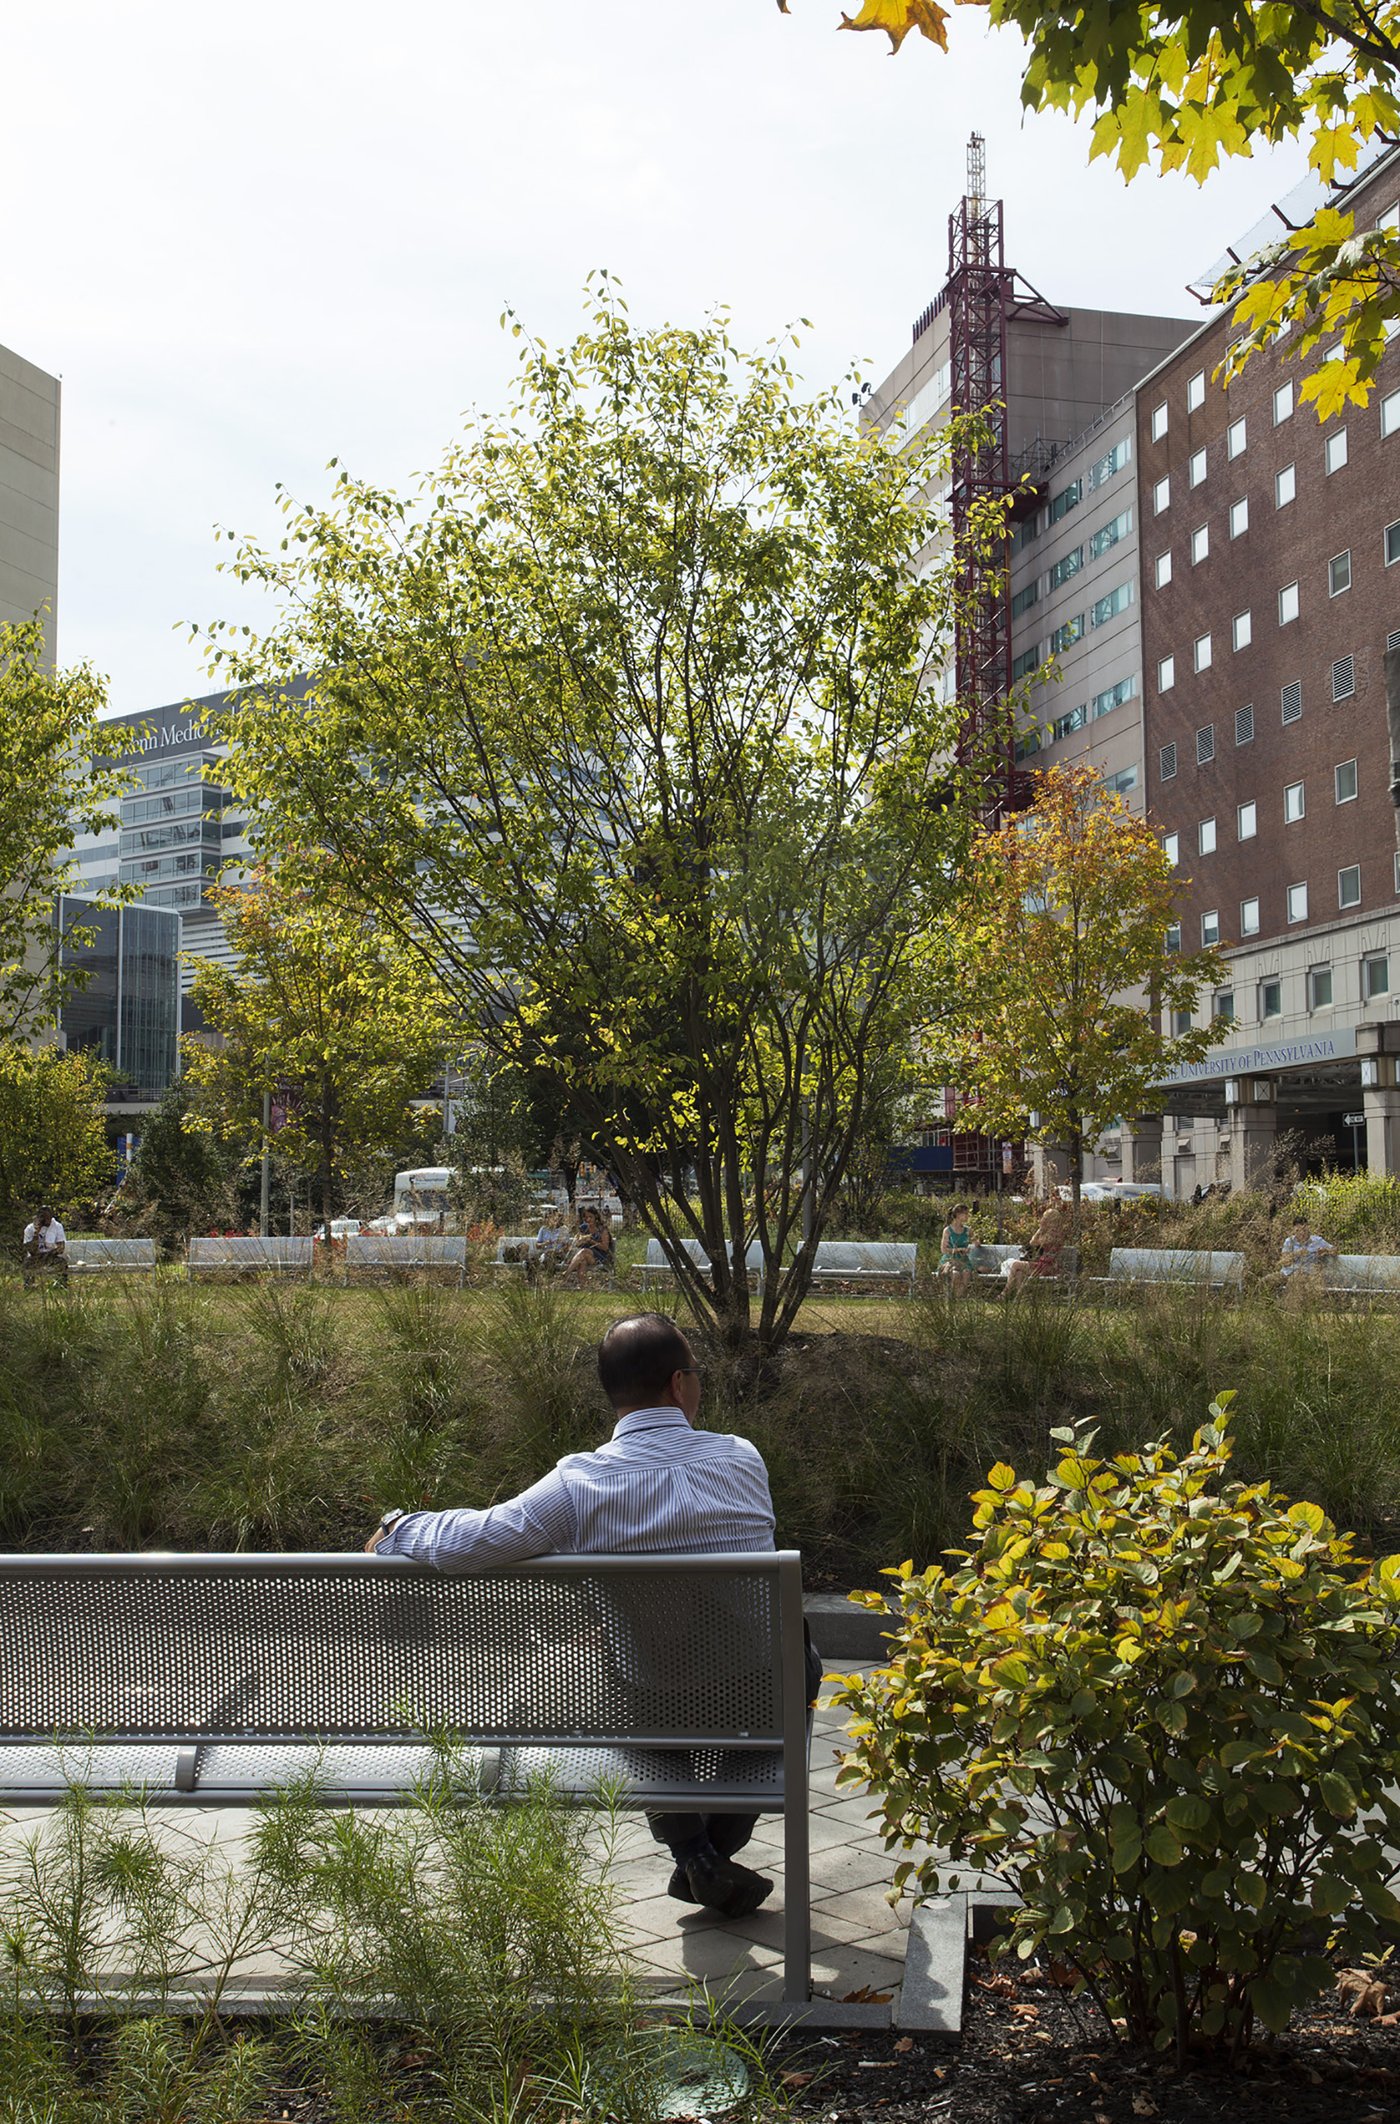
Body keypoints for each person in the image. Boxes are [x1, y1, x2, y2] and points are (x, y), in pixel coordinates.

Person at [365, 1312, 819, 1922]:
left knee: (620, 1662)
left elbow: (472, 1540)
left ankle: (694, 1851)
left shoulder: (580, 1485)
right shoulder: (740, 1460)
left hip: (658, 1706)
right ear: (681, 1385)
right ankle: (712, 1846)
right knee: (801, 1661)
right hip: (758, 1698)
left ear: (613, 1395)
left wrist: (399, 1528)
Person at [1002, 1198, 1072, 1297]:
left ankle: (1005, 1292)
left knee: (1015, 1265)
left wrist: (1041, 1229)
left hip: (1048, 1267)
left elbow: (1037, 1243)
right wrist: (1040, 1229)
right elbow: (1032, 1242)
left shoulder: (1056, 1236)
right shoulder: (1049, 1233)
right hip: (1042, 1265)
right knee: (1018, 1272)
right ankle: (1020, 1297)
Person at [562, 1206, 615, 1285]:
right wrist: (581, 1240)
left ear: (596, 1217)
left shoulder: (602, 1230)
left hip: (600, 1257)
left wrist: (591, 1241)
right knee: (583, 1260)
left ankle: (566, 1274)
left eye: (591, 1217)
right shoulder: (584, 1228)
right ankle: (583, 1287)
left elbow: (605, 1248)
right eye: (586, 1217)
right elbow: (576, 1243)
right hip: (584, 1255)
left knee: (583, 1252)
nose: (588, 1219)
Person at [22, 1204, 68, 1289]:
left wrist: (47, 1254)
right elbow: (31, 1250)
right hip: (35, 1257)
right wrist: (36, 1234)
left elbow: (61, 1248)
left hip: (51, 1256)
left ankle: (60, 1285)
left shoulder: (57, 1226)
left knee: (61, 1262)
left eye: (48, 1218)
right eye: (44, 1218)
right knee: (27, 1263)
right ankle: (29, 1285)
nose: (47, 1220)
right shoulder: (29, 1229)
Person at [1280, 1217, 1337, 1283]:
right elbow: (1285, 1262)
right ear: (1294, 1230)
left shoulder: (1317, 1241)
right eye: (1298, 1231)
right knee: (1267, 1280)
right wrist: (1297, 1254)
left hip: (1305, 1273)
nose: (1302, 1233)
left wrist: (1326, 1250)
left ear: (1308, 1228)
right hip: (1286, 1272)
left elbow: (1335, 1250)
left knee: (1295, 1281)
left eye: (1304, 1230)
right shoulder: (1289, 1241)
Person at [938, 1202, 975, 1295]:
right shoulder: (947, 1230)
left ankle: (958, 1298)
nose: (968, 1216)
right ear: (958, 1215)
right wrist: (959, 1250)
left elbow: (975, 1241)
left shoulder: (968, 1230)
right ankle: (952, 1298)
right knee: (955, 1274)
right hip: (950, 1259)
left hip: (963, 1260)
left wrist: (975, 1242)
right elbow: (943, 1250)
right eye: (966, 1214)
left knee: (966, 1273)